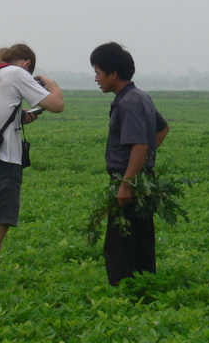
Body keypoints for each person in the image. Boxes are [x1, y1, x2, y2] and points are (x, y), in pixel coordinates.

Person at [0, 43, 64, 289]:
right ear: (27, 64)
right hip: (1, 167)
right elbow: (57, 105)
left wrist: (19, 116)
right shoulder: (16, 73)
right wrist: (52, 85)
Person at [90, 42, 170, 286]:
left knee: (119, 245)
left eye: (98, 72)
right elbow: (162, 128)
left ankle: (123, 292)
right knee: (140, 239)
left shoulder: (129, 102)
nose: (96, 78)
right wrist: (142, 168)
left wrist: (127, 181)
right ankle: (143, 288)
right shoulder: (140, 96)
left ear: (113, 74)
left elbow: (140, 145)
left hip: (128, 181)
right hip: (139, 179)